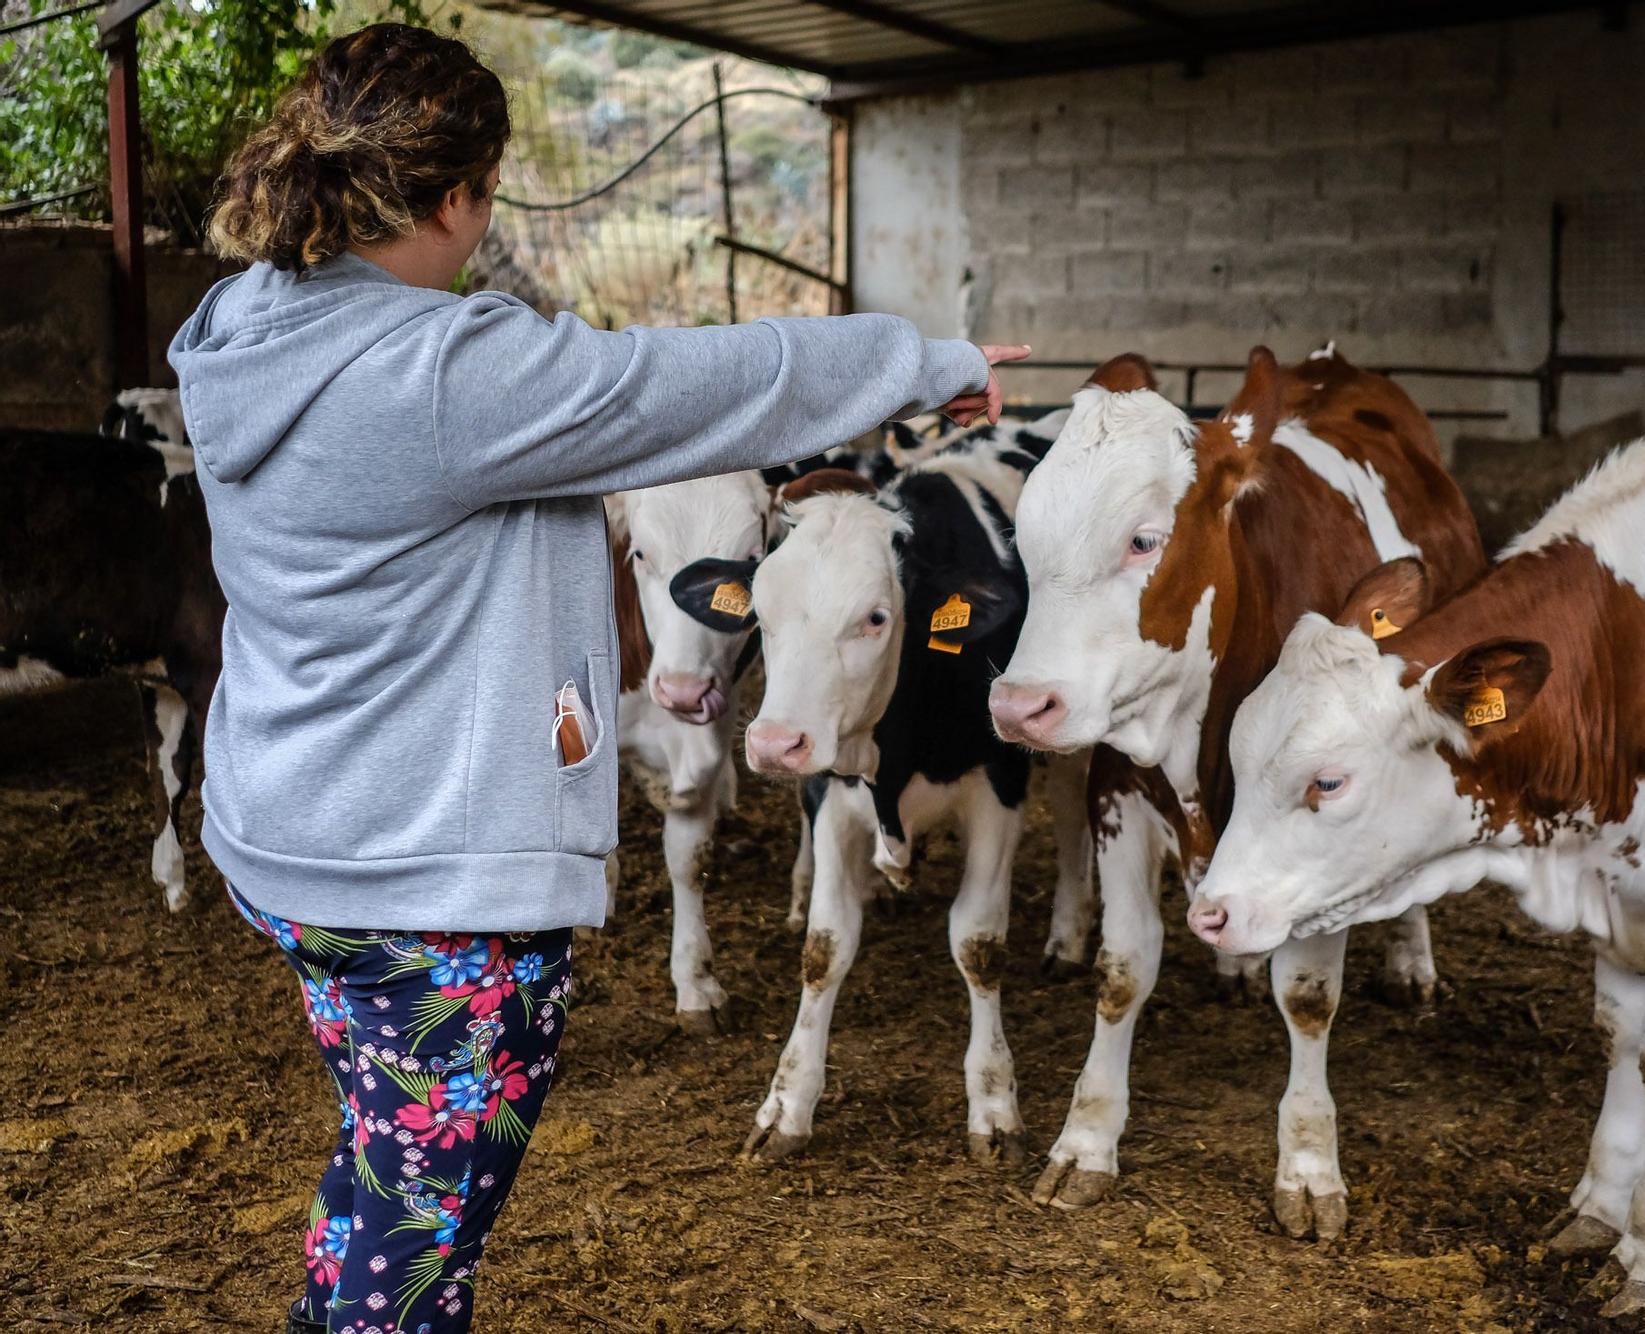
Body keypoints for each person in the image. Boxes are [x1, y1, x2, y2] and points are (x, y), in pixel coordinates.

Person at [167, 23, 1025, 1334]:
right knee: (417, 1254)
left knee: (387, 1166)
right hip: (429, 889)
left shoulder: (248, 324)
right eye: (488, 187)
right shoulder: (441, 374)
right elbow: (684, 384)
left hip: (293, 837)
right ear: (455, 197)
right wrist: (926, 360)